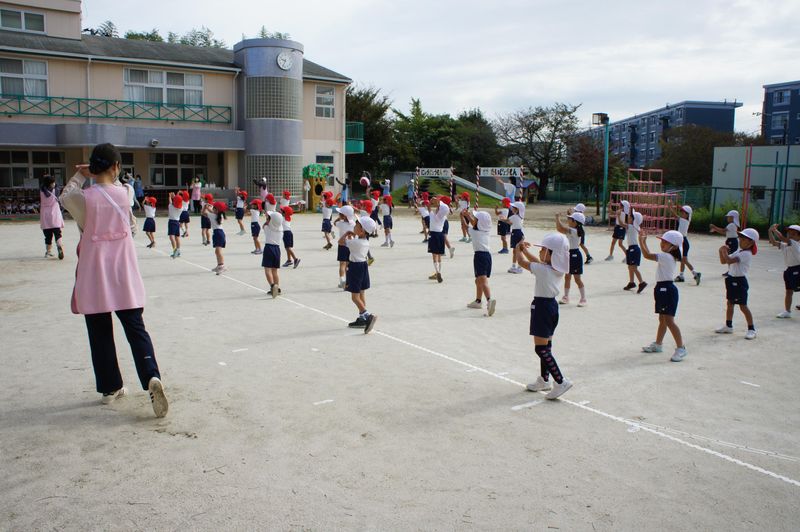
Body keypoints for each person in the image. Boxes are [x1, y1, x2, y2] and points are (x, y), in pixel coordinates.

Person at [59, 142, 168, 417]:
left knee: (100, 332)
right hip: (123, 274)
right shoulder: (125, 193)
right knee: (135, 328)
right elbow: (130, 225)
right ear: (117, 167)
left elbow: (66, 195)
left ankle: (110, 387)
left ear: (93, 168)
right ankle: (151, 376)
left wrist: (82, 175)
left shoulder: (84, 199)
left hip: (95, 276)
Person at [514, 233, 573, 400]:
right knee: (547, 346)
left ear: (551, 254)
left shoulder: (543, 270)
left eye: (544, 250)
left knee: (540, 349)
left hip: (542, 307)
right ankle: (544, 379)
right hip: (552, 307)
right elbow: (538, 262)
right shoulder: (555, 269)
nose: (540, 252)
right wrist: (524, 250)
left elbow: (522, 263)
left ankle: (560, 381)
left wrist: (518, 249)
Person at [639, 230, 687, 362]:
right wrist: (643, 242)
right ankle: (658, 344)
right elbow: (649, 255)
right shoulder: (666, 256)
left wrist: (642, 241)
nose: (662, 244)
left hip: (668, 290)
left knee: (669, 321)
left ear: (675, 247)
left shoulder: (666, 256)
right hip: (661, 288)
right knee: (662, 319)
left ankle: (681, 348)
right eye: (662, 241)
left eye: (666, 242)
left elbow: (647, 255)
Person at [716, 228, 759, 339]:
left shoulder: (746, 254)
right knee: (730, 303)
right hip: (731, 279)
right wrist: (721, 251)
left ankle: (751, 329)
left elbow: (729, 261)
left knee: (743, 306)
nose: (740, 240)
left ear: (751, 242)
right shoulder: (739, 251)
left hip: (740, 281)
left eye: (744, 239)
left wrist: (724, 252)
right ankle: (728, 326)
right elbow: (723, 261)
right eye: (740, 238)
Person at [340, 216, 379, 333]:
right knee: (361, 292)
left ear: (361, 230)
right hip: (363, 266)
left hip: (355, 268)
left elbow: (340, 242)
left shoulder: (355, 242)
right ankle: (362, 318)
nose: (354, 226)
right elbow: (353, 244)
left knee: (354, 297)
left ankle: (367, 315)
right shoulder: (365, 241)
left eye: (357, 225)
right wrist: (352, 235)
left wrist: (346, 233)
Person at [462, 209, 496, 316]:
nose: (474, 219)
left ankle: (489, 300)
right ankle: (478, 301)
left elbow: (465, 226)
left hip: (480, 256)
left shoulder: (474, 232)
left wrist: (464, 216)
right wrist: (468, 216)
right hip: (487, 256)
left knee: (483, 280)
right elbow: (475, 223)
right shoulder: (485, 231)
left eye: (475, 218)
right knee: (478, 280)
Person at [555, 212, 587, 307]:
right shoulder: (574, 229)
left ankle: (583, 298)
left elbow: (560, 228)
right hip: (568, 254)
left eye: (570, 219)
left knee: (577, 279)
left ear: (575, 222)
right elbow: (560, 228)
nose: (568, 220)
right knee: (567, 277)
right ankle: (566, 297)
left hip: (575, 255)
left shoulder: (574, 231)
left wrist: (557, 217)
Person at [768, 224, 800, 318]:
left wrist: (774, 230)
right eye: (789, 233)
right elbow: (773, 242)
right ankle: (787, 311)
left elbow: (781, 237)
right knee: (789, 291)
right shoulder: (786, 245)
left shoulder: (794, 243)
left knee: (793, 289)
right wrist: (770, 231)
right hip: (790, 269)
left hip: (798, 268)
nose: (790, 236)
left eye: (793, 234)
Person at [671, 204, 701, 285]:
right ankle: (681, 275)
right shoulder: (685, 220)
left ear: (687, 214)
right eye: (682, 212)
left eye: (683, 212)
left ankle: (695, 273)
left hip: (683, 241)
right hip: (683, 241)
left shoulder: (683, 220)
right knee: (682, 260)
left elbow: (675, 215)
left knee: (683, 260)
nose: (681, 213)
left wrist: (671, 207)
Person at [40, 174, 65, 259]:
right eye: (53, 182)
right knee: (57, 233)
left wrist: (46, 180)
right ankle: (59, 246)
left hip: (45, 215)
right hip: (55, 214)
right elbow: (58, 187)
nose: (54, 184)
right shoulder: (56, 190)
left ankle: (48, 252)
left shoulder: (41, 191)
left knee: (48, 235)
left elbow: (43, 186)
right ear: (51, 183)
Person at [622, 210, 647, 293]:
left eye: (630, 216)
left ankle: (642, 282)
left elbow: (621, 224)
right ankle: (631, 282)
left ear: (634, 220)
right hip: (631, 248)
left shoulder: (632, 226)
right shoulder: (635, 227)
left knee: (633, 268)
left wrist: (618, 215)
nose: (628, 217)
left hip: (634, 249)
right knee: (630, 267)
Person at [427, 196, 451, 283]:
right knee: (440, 255)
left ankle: (437, 272)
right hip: (440, 235)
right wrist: (437, 204)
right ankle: (439, 272)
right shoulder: (443, 216)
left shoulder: (433, 215)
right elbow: (438, 208)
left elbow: (429, 208)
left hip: (433, 234)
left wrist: (430, 202)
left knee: (434, 255)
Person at [262, 208, 284, 298]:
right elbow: (274, 222)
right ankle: (277, 287)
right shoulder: (281, 229)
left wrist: (267, 221)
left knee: (267, 269)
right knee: (275, 271)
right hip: (277, 250)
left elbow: (264, 226)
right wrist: (270, 219)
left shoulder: (267, 228)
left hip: (269, 248)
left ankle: (272, 286)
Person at [334, 205, 356, 288]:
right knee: (348, 264)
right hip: (351, 245)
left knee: (342, 264)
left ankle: (341, 280)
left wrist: (339, 218)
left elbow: (334, 223)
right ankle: (348, 281)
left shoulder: (340, 223)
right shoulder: (353, 223)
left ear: (343, 216)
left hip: (342, 245)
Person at [502, 201, 526, 274]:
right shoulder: (520, 217)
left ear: (517, 209)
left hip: (516, 233)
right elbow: (511, 223)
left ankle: (518, 267)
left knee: (516, 251)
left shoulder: (513, 217)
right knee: (516, 251)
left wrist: (502, 218)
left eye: (513, 207)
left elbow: (507, 221)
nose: (511, 208)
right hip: (518, 233)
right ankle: (515, 266)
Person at [209, 201, 227, 275]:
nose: (212, 209)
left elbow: (203, 213)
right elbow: (212, 211)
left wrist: (205, 207)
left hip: (218, 233)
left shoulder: (213, 215)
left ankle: (222, 266)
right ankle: (219, 265)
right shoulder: (220, 215)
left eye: (214, 208)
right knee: (217, 251)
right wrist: (209, 207)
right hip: (219, 233)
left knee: (218, 251)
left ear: (216, 210)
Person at [167, 192, 182, 258]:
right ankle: (178, 250)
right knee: (177, 237)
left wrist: (170, 196)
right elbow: (177, 201)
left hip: (172, 222)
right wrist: (175, 196)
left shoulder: (170, 206)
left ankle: (175, 250)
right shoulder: (181, 208)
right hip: (177, 222)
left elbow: (171, 202)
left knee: (171, 236)